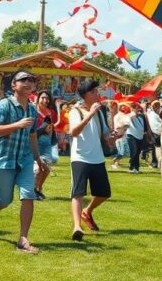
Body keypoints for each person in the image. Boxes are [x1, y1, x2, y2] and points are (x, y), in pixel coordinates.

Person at [0, 70, 47, 254]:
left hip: (25, 160)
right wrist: (17, 125)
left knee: (28, 195)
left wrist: (37, 158)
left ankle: (23, 239)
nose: (28, 82)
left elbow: (33, 135)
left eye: (31, 80)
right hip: (5, 159)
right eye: (23, 80)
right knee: (4, 200)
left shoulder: (33, 110)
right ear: (14, 85)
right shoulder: (5, 104)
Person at [67, 79, 114, 241]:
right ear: (84, 95)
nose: (97, 94)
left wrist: (114, 137)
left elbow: (105, 135)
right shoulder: (75, 111)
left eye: (97, 91)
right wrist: (90, 114)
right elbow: (73, 132)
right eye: (93, 91)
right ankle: (77, 226)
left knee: (104, 193)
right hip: (80, 157)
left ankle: (87, 211)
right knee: (78, 193)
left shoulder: (100, 112)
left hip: (97, 157)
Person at [34, 91, 57, 199]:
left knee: (46, 168)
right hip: (36, 142)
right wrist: (43, 129)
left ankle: (38, 189)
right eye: (42, 98)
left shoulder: (51, 112)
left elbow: (52, 126)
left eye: (47, 98)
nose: (45, 100)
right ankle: (34, 190)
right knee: (39, 168)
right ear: (38, 99)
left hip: (47, 143)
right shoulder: (33, 111)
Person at [125, 102, 149, 174]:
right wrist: (133, 113)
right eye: (135, 107)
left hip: (140, 136)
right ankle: (131, 167)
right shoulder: (129, 115)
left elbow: (144, 126)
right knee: (134, 151)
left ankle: (136, 167)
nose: (137, 109)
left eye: (137, 107)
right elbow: (128, 119)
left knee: (137, 152)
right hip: (131, 135)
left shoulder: (141, 116)